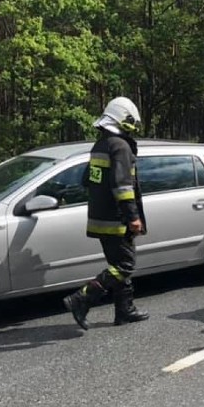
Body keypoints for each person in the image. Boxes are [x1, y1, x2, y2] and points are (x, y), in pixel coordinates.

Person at [64, 97, 149, 330]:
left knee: (117, 264)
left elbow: (87, 180)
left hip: (99, 218)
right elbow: (123, 186)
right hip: (117, 220)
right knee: (125, 266)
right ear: (122, 119)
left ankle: (125, 310)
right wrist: (132, 216)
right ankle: (81, 298)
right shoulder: (120, 146)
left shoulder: (100, 145)